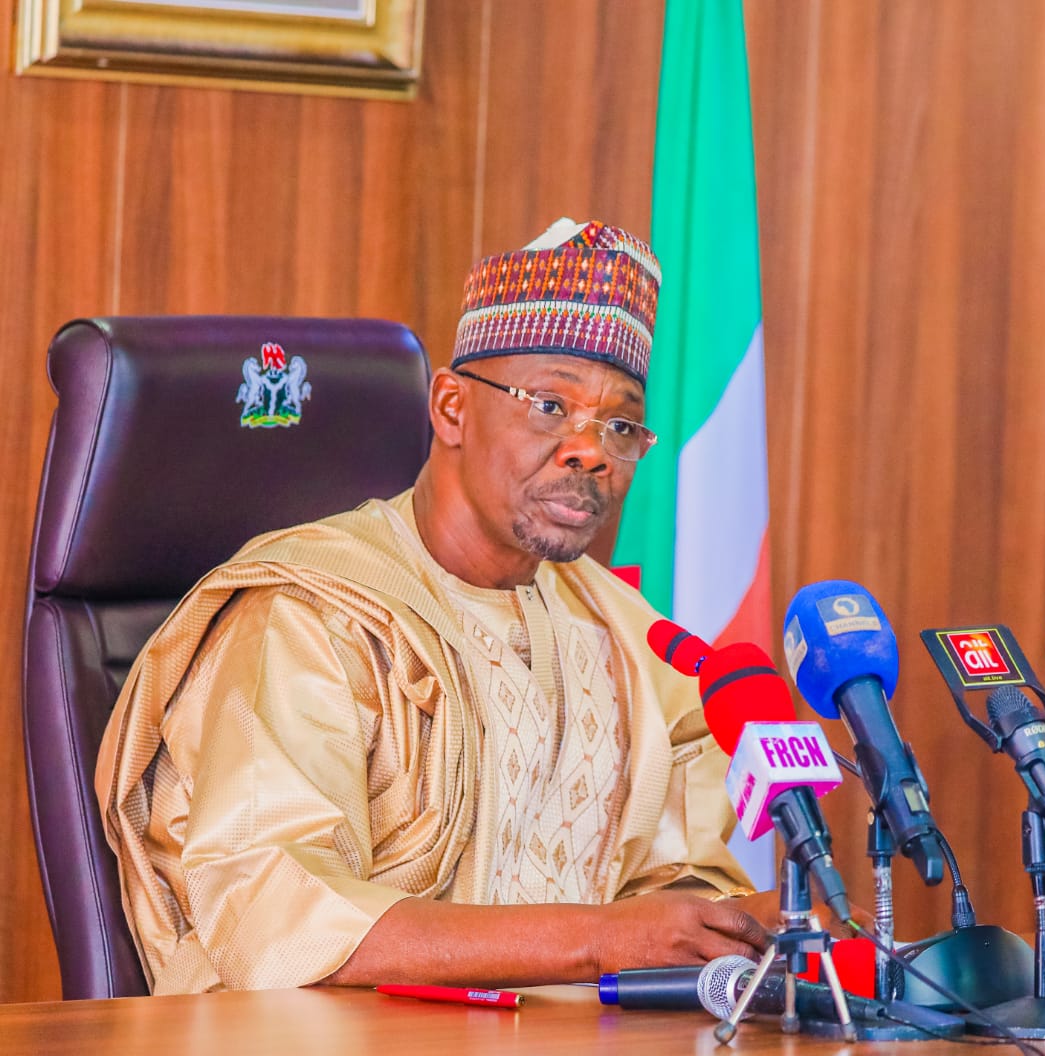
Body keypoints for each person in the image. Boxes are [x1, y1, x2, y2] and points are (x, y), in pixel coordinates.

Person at [95, 218, 780, 995]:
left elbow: (674, 893)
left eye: (620, 425)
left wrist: (759, 926)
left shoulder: (637, 643)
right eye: (550, 405)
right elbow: (277, 919)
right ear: (452, 408)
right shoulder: (313, 615)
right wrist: (597, 942)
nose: (591, 451)